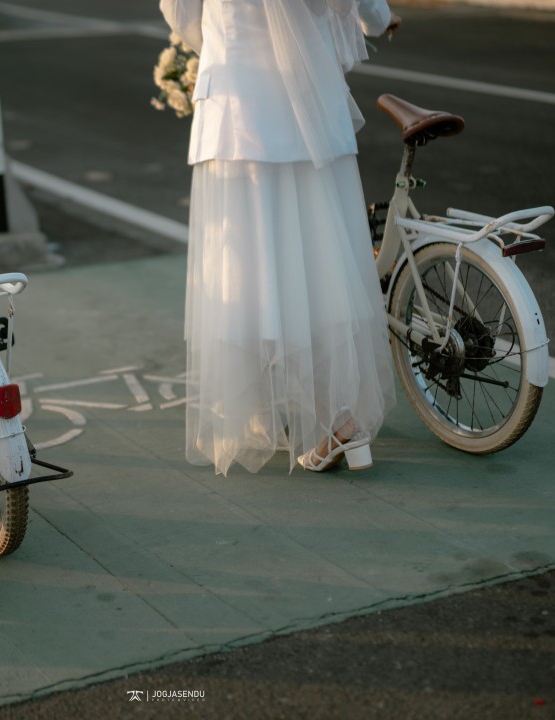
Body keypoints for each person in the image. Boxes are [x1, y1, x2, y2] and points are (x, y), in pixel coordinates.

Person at [159, 0, 400, 476]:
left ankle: (304, 416)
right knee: (320, 266)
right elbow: (364, 10)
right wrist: (378, 18)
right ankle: (338, 416)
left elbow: (179, 10)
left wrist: (220, 41)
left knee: (249, 276)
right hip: (311, 107)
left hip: (238, 113)